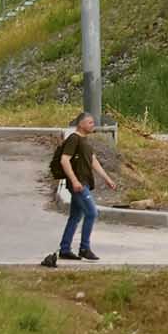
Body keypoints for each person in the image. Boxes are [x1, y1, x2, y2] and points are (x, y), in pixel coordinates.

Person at [55, 112, 115, 262]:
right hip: (79, 184)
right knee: (92, 213)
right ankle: (84, 248)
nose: (92, 125)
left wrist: (107, 178)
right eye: (90, 122)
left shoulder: (84, 141)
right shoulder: (74, 139)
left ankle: (65, 249)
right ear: (81, 124)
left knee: (75, 216)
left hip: (84, 182)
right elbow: (64, 160)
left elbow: (93, 161)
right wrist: (74, 181)